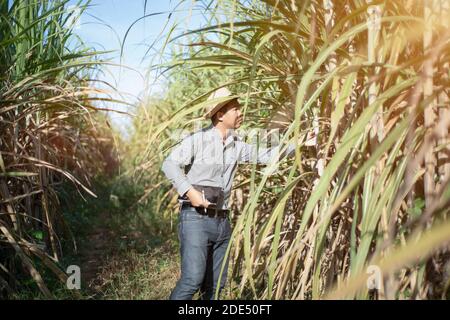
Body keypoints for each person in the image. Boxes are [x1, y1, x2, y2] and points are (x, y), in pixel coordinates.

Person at [161, 87, 296, 300]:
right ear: (220, 115)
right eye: (235, 109)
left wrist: (301, 144)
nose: (240, 112)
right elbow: (169, 164)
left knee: (215, 287)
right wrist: (190, 192)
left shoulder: (237, 146)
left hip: (222, 223)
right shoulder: (198, 139)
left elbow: (268, 155)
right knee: (192, 281)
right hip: (195, 219)